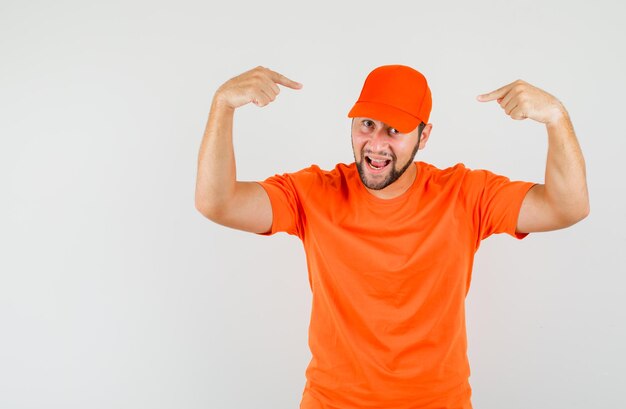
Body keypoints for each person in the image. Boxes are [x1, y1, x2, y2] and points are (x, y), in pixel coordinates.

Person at [195, 65, 589, 409]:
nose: (376, 143)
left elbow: (567, 206)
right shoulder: (314, 192)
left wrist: (556, 118)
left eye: (395, 130)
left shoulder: (465, 195)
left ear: (424, 135)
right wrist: (223, 106)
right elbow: (218, 203)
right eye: (366, 123)